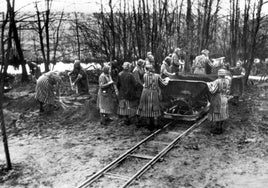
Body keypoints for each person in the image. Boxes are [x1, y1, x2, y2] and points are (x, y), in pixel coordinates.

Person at [137, 64, 168, 130]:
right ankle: (155, 124)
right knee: (154, 107)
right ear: (152, 69)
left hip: (145, 92)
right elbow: (164, 84)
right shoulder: (157, 76)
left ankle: (148, 125)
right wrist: (167, 79)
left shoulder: (144, 75)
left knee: (147, 107)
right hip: (153, 92)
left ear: (146, 69)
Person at [207, 69, 231, 134]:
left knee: (217, 113)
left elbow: (212, 90)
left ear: (219, 74)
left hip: (218, 98)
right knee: (223, 113)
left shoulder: (217, 81)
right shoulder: (227, 80)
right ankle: (221, 128)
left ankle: (218, 129)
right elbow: (228, 90)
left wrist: (209, 84)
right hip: (224, 98)